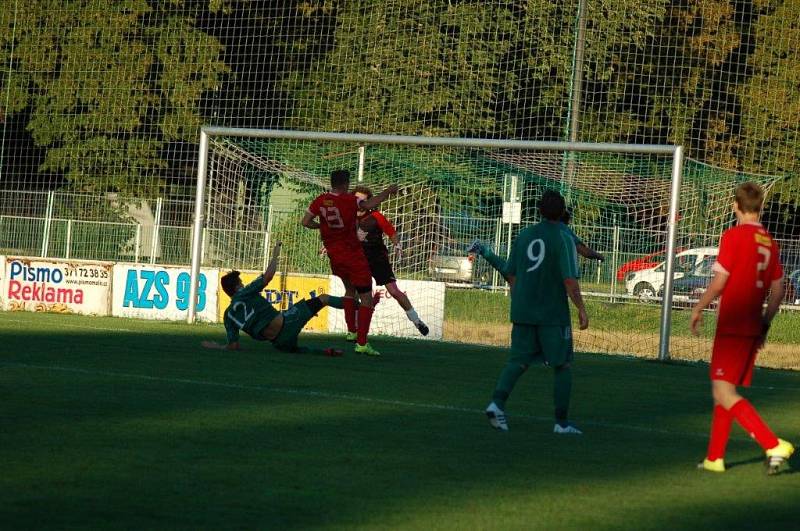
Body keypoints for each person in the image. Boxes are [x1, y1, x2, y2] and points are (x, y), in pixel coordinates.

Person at [690, 182, 794, 475]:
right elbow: (778, 290)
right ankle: (715, 458)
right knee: (723, 391)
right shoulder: (769, 241)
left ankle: (772, 443)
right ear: (760, 207)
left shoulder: (734, 236)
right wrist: (765, 324)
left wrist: (698, 307)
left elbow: (720, 282)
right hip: (752, 322)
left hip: (733, 322)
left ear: (736, 206)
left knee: (724, 392)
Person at [484, 190, 589, 434]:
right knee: (562, 365)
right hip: (552, 313)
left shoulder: (524, 235)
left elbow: (510, 271)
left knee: (518, 361)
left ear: (539, 211)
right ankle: (561, 423)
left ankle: (496, 404)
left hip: (523, 309)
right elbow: (570, 281)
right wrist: (582, 310)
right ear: (563, 213)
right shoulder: (563, 238)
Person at [301, 169, 398, 356]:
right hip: (353, 254)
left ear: (332, 182)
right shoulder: (349, 200)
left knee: (349, 290)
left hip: (334, 256)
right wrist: (388, 191)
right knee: (366, 298)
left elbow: (305, 222)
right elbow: (370, 203)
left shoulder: (320, 200)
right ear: (346, 184)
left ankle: (351, 331)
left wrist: (321, 226)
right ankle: (361, 343)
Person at [202, 242, 345, 354]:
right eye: (241, 282)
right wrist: (275, 255)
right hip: (288, 323)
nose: (243, 284)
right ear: (237, 287)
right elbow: (268, 276)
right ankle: (358, 305)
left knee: (297, 351)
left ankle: (327, 352)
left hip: (278, 342)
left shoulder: (228, 315)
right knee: (324, 298)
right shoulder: (244, 293)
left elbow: (234, 346)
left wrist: (218, 347)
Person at [352, 185, 429, 337]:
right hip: (359, 259)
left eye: (363, 199)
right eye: (356, 198)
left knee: (394, 291)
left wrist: (398, 245)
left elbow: (391, 232)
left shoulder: (376, 216)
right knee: (354, 292)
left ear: (369, 202)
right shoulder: (348, 216)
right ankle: (354, 329)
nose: (359, 202)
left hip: (377, 258)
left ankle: (416, 320)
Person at [468, 207, 603, 282]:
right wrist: (599, 256)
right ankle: (482, 249)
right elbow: (583, 251)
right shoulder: (563, 230)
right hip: (542, 273)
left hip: (530, 260)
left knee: (509, 273)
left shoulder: (538, 228)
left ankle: (482, 249)